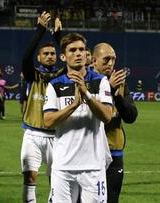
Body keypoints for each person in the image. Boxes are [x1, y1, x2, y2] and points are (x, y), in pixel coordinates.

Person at [43, 33, 113, 203]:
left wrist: (86, 95)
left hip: (93, 166)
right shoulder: (55, 85)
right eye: (72, 50)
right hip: (63, 166)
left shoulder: (100, 81)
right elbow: (48, 121)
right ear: (63, 56)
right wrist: (73, 105)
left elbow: (107, 116)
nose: (78, 53)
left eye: (82, 49)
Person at [20, 12, 63, 203]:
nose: (50, 56)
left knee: (57, 180)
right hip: (33, 135)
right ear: (39, 57)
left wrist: (58, 35)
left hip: (58, 135)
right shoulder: (33, 75)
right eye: (45, 53)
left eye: (53, 53)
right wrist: (40, 30)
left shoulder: (63, 76)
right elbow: (25, 58)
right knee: (30, 177)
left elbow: (73, 55)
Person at [92, 43, 138, 203]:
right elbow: (89, 117)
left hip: (114, 153)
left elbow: (131, 116)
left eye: (113, 59)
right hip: (90, 153)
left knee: (111, 200)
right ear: (94, 61)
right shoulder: (87, 82)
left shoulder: (120, 83)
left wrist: (117, 95)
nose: (110, 64)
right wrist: (108, 89)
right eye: (106, 59)